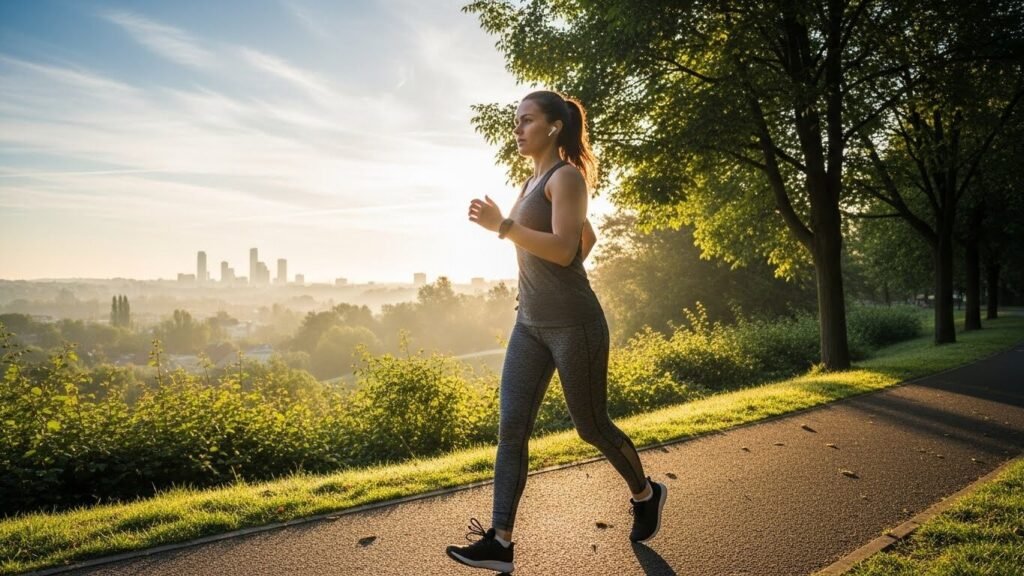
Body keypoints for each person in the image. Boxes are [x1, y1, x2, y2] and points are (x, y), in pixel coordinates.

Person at [445, 90, 667, 573]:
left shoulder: (566, 177)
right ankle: (500, 542)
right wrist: (538, 288)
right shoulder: (531, 182)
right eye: (515, 121)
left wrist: (504, 226)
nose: (517, 129)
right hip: (530, 325)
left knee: (591, 426)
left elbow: (568, 249)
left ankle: (646, 494)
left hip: (575, 326)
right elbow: (586, 237)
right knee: (512, 429)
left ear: (553, 127)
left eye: (526, 120)